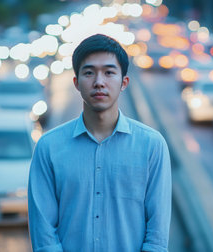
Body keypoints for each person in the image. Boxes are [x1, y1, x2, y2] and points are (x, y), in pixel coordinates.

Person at [28, 34, 172, 252]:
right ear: (76, 82)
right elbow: (44, 233)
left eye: (109, 72)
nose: (99, 82)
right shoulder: (48, 147)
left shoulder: (152, 145)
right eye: (89, 73)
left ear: (124, 82)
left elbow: (157, 234)